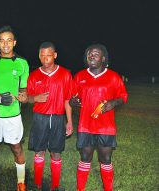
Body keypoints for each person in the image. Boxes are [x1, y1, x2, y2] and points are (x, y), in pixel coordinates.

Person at [69, 44, 128, 191]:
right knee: (85, 157)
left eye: (96, 53)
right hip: (85, 125)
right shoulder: (80, 76)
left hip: (106, 127)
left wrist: (114, 102)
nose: (91, 55)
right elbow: (72, 97)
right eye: (89, 53)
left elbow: (123, 96)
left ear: (103, 58)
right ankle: (80, 189)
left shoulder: (113, 77)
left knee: (106, 159)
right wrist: (73, 101)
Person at [0, 25, 29, 191]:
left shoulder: (22, 63)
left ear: (14, 42)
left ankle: (21, 181)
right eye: (2, 40)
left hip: (13, 115)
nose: (6, 44)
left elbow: (23, 90)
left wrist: (23, 96)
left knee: (16, 148)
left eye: (9, 40)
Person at [27, 42, 73, 190]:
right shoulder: (34, 76)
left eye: (48, 55)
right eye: (42, 55)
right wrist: (35, 98)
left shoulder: (65, 74)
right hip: (40, 118)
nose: (45, 59)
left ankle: (55, 185)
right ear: (39, 56)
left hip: (58, 118)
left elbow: (67, 99)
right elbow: (27, 97)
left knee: (56, 152)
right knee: (39, 151)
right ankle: (38, 184)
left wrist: (69, 121)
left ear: (55, 55)